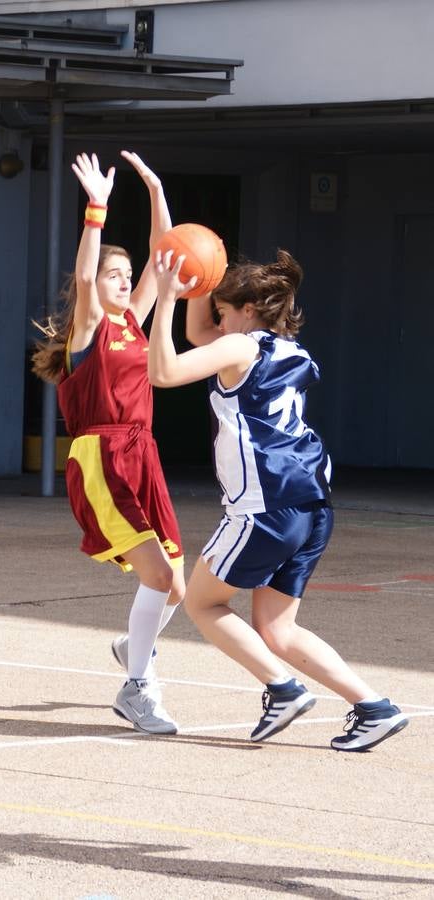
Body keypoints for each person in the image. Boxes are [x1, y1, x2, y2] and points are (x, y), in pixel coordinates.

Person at [147, 247, 409, 750]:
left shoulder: (239, 348)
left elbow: (164, 371)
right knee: (277, 628)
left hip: (263, 507)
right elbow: (201, 336)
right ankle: (374, 707)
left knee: (203, 603)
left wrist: (165, 299)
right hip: (312, 505)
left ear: (247, 311)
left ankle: (283, 689)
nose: (216, 321)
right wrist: (200, 286)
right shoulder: (290, 350)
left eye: (223, 310)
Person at [32, 151, 185, 735]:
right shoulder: (89, 328)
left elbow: (161, 253)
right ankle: (137, 687)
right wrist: (96, 208)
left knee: (178, 583)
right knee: (160, 579)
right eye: (112, 276)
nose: (124, 281)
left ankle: (133, 649)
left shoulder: (133, 322)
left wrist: (154, 186)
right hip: (102, 456)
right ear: (95, 289)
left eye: (126, 276)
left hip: (141, 452)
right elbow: (82, 275)